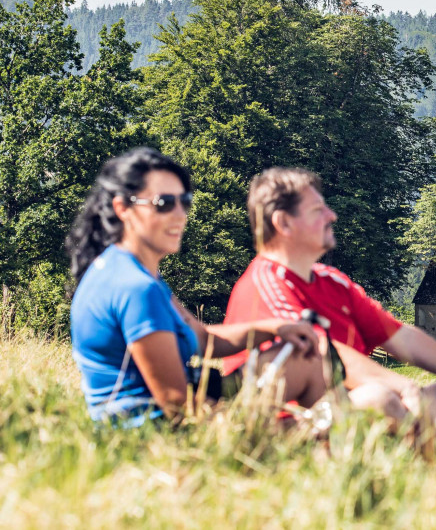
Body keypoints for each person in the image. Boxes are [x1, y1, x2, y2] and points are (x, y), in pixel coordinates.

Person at [221, 167, 436, 424]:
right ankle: (434, 476)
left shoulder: (333, 283)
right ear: (283, 223)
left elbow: (405, 340)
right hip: (293, 423)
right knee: (379, 400)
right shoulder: (266, 284)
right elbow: (323, 351)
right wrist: (402, 386)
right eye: (317, 210)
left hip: (347, 409)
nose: (332, 215)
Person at [68, 148, 330, 426]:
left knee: (305, 359)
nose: (180, 215)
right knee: (321, 425)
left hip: (182, 410)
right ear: (123, 209)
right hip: (152, 437)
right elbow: (178, 405)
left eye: (184, 201)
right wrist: (299, 427)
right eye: (164, 203)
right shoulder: (135, 288)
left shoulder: (134, 272)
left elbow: (204, 341)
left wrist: (276, 328)